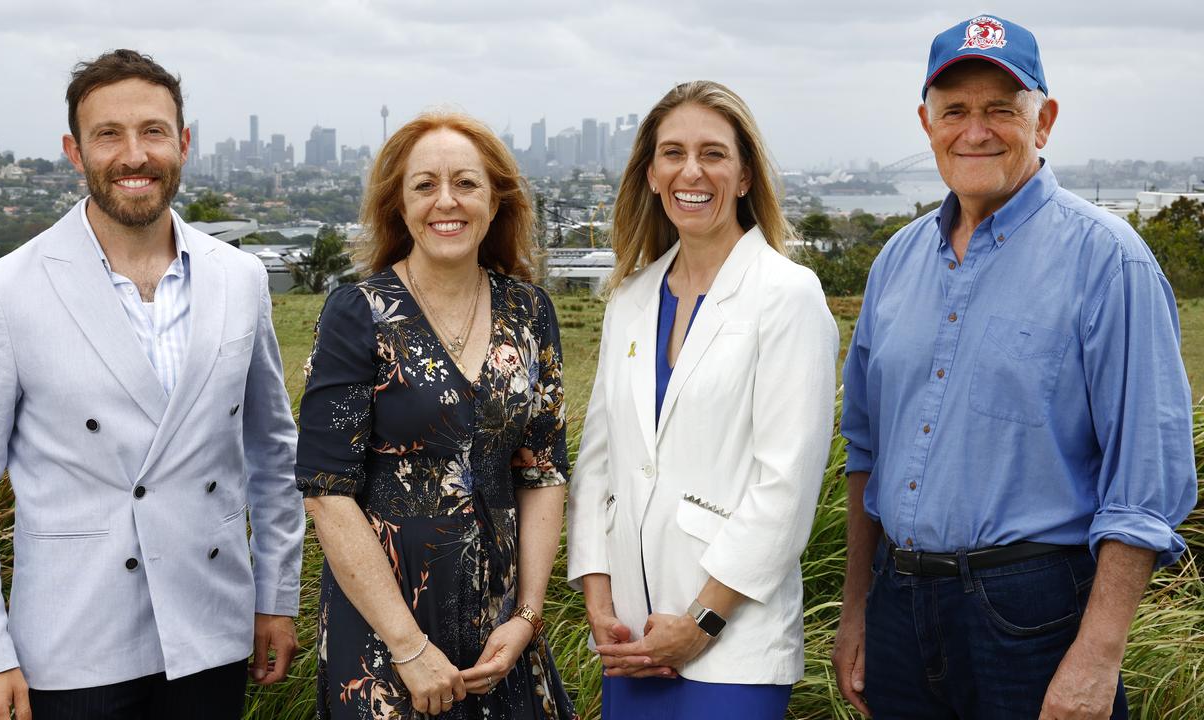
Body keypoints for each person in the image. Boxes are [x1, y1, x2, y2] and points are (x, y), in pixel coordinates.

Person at [833, 14, 1197, 720]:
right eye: (956, 110)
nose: (976, 130)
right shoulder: (896, 262)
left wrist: (1098, 658)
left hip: (1035, 618)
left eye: (1002, 108)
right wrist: (857, 614)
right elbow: (865, 451)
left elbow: (1146, 480)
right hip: (899, 606)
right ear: (926, 122)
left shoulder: (1107, 260)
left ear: (1045, 120)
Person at [0, 50, 305, 719]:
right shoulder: (5, 291)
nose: (134, 155)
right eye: (109, 135)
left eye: (153, 132)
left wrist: (276, 595)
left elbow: (275, 455)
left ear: (183, 143)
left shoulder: (239, 279)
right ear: (75, 152)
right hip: (71, 643)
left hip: (211, 631)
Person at [566, 80, 839, 719]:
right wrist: (600, 607)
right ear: (653, 174)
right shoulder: (630, 299)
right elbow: (597, 466)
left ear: (744, 176)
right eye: (673, 153)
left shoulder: (787, 295)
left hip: (732, 646)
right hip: (632, 640)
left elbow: (786, 488)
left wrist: (702, 620)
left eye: (714, 154)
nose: (692, 171)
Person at [297, 111, 576, 719]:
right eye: (425, 185)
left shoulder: (529, 312)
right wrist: (408, 646)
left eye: (466, 184)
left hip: (501, 634)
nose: (445, 201)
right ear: (399, 204)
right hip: (384, 635)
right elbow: (326, 492)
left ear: (497, 200)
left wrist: (528, 615)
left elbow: (544, 471)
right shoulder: (358, 314)